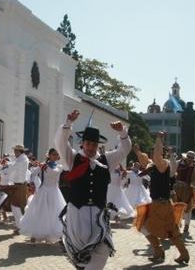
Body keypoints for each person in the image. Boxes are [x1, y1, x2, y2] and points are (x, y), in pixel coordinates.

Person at [55, 110, 131, 270]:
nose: (91, 147)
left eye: (94, 144)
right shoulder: (73, 158)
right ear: (82, 143)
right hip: (77, 213)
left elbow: (124, 150)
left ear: (98, 145)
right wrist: (68, 124)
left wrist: (122, 133)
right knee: (79, 254)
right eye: (88, 143)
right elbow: (61, 143)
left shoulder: (106, 160)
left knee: (102, 249)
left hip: (99, 215)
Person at [134, 132, 189, 264]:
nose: (153, 155)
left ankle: (170, 253)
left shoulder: (163, 164)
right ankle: (164, 252)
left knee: (165, 230)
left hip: (162, 204)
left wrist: (158, 139)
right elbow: (145, 160)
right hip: (157, 203)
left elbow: (156, 157)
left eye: (155, 152)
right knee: (152, 228)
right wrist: (137, 151)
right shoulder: (154, 165)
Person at [19, 148, 66, 243]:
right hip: (43, 191)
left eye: (57, 154)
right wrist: (33, 184)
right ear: (49, 155)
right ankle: (35, 236)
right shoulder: (42, 166)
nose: (55, 156)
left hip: (55, 192)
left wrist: (44, 167)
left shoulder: (59, 166)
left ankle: (51, 236)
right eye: (53, 154)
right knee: (39, 212)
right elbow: (32, 174)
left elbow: (55, 172)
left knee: (54, 213)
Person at [170, 149, 195, 234]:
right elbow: (171, 166)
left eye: (192, 158)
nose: (190, 160)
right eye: (189, 158)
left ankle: (186, 226)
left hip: (187, 188)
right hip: (176, 187)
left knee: (188, 208)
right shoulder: (179, 162)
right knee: (175, 207)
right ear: (186, 157)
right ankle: (176, 224)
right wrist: (171, 155)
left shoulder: (194, 166)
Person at [1, 144, 30, 234]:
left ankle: (20, 227)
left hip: (20, 186)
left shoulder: (22, 160)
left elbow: (12, 168)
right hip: (19, 185)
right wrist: (7, 162)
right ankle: (20, 226)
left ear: (18, 151)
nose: (14, 153)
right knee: (17, 207)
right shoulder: (22, 158)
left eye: (15, 151)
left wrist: (3, 168)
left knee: (16, 207)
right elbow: (14, 163)